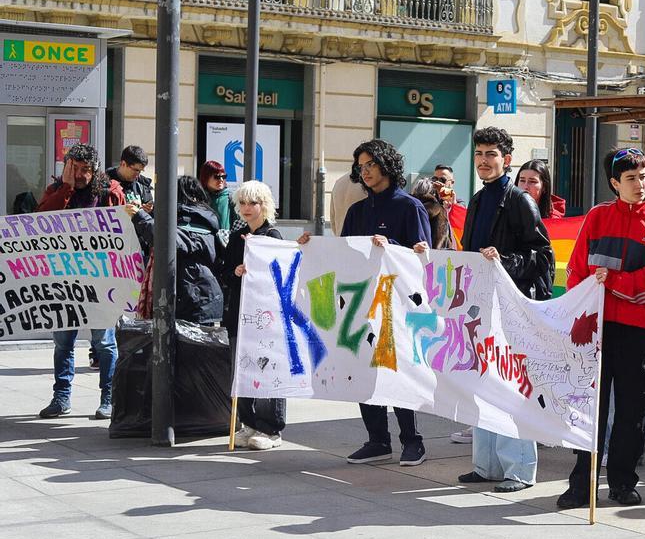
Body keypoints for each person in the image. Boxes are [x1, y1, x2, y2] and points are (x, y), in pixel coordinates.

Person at [559, 147, 645, 508]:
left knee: (634, 408)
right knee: (588, 407)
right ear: (615, 183)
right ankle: (582, 485)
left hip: (639, 332)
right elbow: (576, 271)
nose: (640, 184)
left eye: (642, 176)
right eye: (631, 178)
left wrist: (614, 282)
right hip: (595, 330)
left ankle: (623, 483)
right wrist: (581, 309)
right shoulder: (596, 217)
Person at [300, 139, 432, 466]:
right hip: (360, 305)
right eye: (361, 166)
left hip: (398, 307)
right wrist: (310, 247)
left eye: (370, 164)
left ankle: (412, 441)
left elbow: (424, 257)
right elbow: (342, 255)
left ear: (386, 164)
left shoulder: (409, 206)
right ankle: (377, 440)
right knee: (361, 370)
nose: (365, 171)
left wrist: (393, 246)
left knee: (398, 372)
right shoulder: (358, 211)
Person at [451, 127, 553, 492]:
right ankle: (487, 464)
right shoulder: (479, 200)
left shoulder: (519, 200)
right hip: (481, 305)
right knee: (482, 383)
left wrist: (504, 260)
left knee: (512, 386)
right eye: (479, 154)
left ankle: (519, 469)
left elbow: (543, 255)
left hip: (511, 307)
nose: (483, 160)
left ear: (506, 159)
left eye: (491, 154)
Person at [36, 144, 125, 420]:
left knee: (105, 343)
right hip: (63, 281)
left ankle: (108, 397)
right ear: (66, 167)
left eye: (86, 170)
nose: (81, 175)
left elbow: (122, 231)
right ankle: (61, 397)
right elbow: (39, 219)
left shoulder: (110, 191)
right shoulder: (57, 191)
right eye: (75, 168)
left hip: (101, 281)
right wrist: (65, 188)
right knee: (63, 342)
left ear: (94, 169)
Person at [220, 180, 287, 450]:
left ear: (264, 205)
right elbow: (223, 271)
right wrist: (236, 271)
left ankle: (271, 428)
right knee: (244, 368)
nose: (247, 208)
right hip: (241, 312)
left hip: (267, 317)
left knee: (269, 370)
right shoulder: (238, 238)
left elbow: (280, 277)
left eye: (253, 203)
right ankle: (249, 422)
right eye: (243, 203)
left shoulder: (273, 237)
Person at [131, 176, 225, 324]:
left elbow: (168, 240)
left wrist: (140, 216)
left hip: (192, 297)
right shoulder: (206, 219)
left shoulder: (193, 220)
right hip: (201, 297)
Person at [409, 178, 455, 250]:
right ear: (434, 193)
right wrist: (446, 192)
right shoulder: (440, 210)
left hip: (408, 255)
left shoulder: (407, 207)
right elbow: (455, 205)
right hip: (435, 257)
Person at [329, 165, 368, 237]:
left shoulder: (339, 182)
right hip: (363, 242)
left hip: (341, 240)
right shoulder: (370, 182)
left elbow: (333, 219)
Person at [199, 160, 235, 232]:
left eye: (223, 176)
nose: (221, 180)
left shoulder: (231, 197)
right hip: (204, 240)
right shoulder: (198, 198)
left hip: (225, 241)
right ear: (206, 178)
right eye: (217, 177)